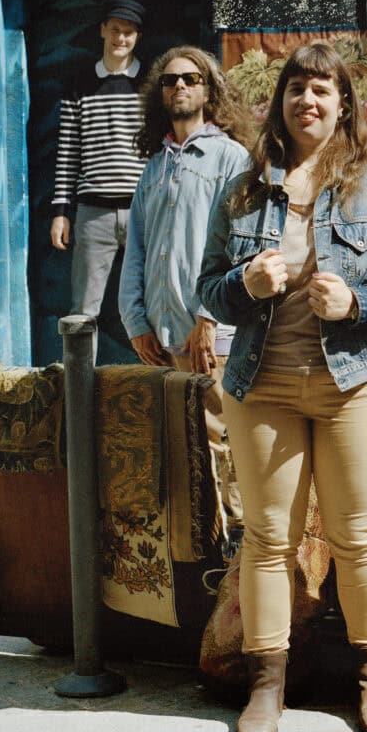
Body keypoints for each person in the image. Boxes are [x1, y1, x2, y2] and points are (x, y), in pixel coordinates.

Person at [197, 41, 367, 732]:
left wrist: (357, 300)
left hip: (356, 382)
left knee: (357, 533)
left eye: (323, 90)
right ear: (282, 101)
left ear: (342, 106)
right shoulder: (240, 189)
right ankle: (266, 684)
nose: (309, 100)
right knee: (267, 539)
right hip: (261, 385)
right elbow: (207, 289)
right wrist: (244, 286)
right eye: (298, 87)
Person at [118, 46, 254, 544]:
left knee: (224, 443)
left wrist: (208, 316)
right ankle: (196, 553)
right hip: (163, 336)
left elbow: (236, 245)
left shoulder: (230, 158)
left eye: (192, 79)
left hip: (210, 335)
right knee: (181, 448)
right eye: (170, 80)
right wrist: (135, 320)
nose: (180, 86)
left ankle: (236, 552)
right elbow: (136, 250)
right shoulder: (153, 168)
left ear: (209, 91)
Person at [50, 0, 149, 323]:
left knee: (155, 305)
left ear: (137, 36)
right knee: (83, 312)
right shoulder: (79, 84)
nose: (121, 38)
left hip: (144, 212)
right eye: (116, 30)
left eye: (129, 32)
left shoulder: (151, 83)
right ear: (103, 30)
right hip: (93, 214)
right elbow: (67, 153)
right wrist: (60, 213)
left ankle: (159, 376)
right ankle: (79, 377)